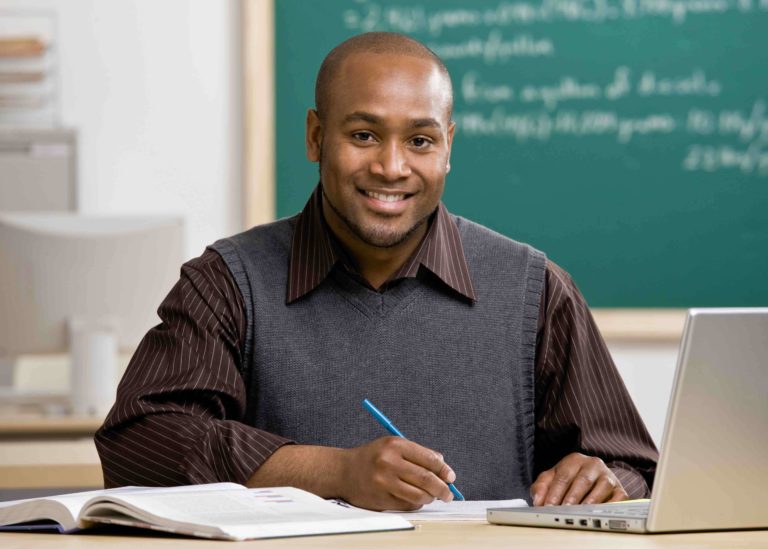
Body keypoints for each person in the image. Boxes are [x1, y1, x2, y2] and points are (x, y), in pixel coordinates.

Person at [95, 32, 657, 511]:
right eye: (363, 135)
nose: (392, 168)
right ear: (316, 137)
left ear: (448, 147)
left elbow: (636, 467)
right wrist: (332, 473)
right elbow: (137, 443)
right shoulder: (226, 283)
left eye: (419, 140)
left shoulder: (535, 290)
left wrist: (605, 482)